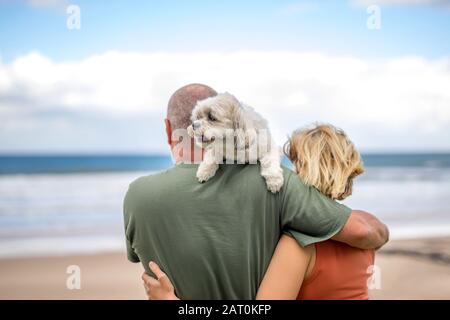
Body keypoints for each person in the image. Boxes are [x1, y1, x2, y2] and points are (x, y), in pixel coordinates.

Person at [124, 83, 389, 299]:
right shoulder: (361, 239)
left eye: (293, 161)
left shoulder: (298, 244)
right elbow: (366, 232)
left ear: (168, 129)